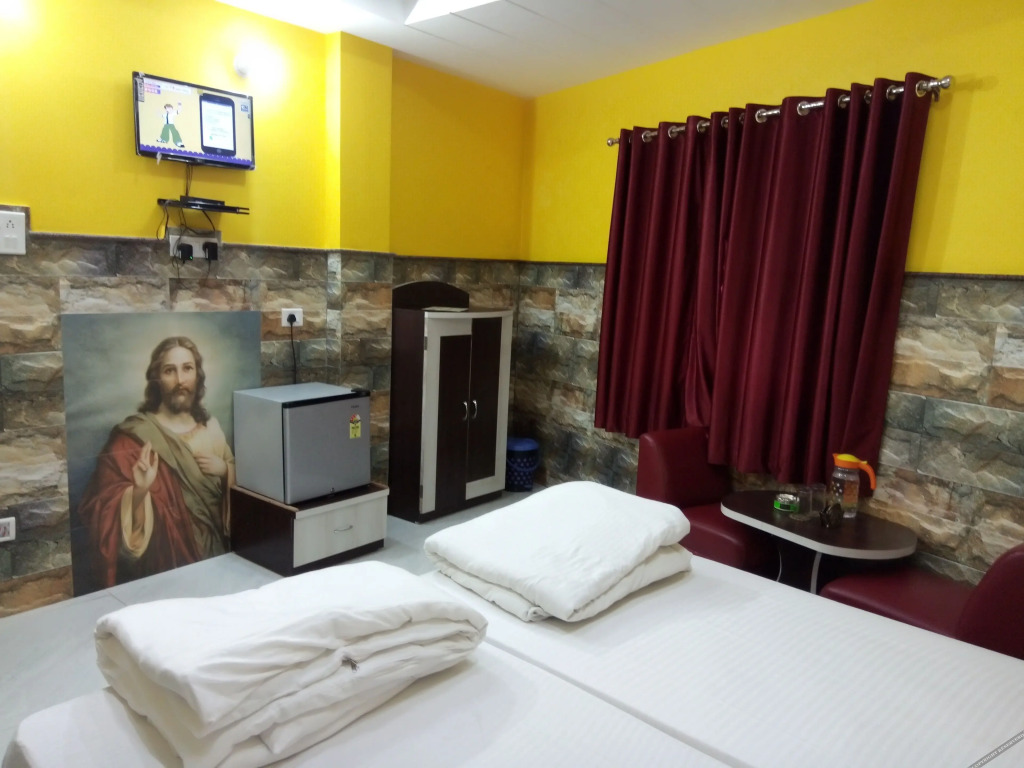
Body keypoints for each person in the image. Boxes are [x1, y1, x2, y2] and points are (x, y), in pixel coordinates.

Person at [78, 337, 234, 587]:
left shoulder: (211, 429)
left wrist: (226, 471)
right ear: (156, 379)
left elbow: (247, 493)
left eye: (187, 368)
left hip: (219, 560)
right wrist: (139, 491)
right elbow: (99, 511)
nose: (180, 380)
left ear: (197, 375)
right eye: (169, 370)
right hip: (166, 572)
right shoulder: (131, 438)